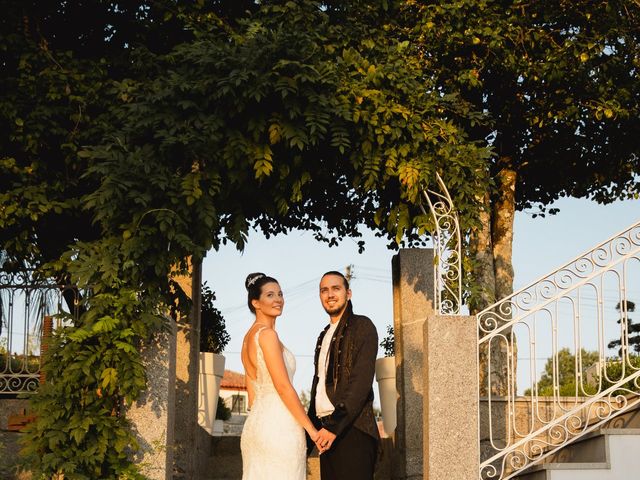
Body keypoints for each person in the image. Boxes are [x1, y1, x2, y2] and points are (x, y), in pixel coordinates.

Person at [240, 272, 323, 479]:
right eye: (270, 295)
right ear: (256, 303)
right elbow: (283, 387)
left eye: (280, 293)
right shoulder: (268, 336)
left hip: (256, 425)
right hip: (279, 426)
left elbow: (252, 397)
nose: (278, 299)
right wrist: (312, 431)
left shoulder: (247, 339)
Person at [307, 271, 380, 480]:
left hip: (353, 430)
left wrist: (333, 427)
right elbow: (318, 388)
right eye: (324, 290)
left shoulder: (363, 326)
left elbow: (361, 382)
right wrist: (309, 434)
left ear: (348, 293)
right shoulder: (323, 335)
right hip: (326, 432)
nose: (330, 294)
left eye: (335, 288)